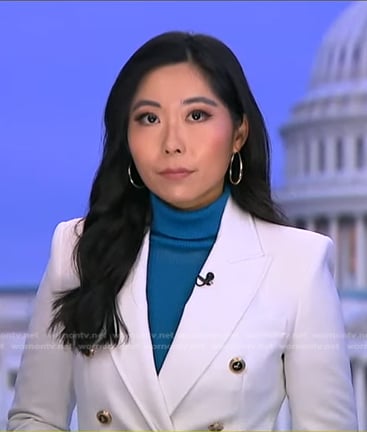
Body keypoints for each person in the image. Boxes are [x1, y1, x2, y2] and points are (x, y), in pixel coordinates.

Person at [8, 31, 357, 431]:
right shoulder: (76, 250)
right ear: (127, 135)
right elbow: (35, 418)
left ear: (238, 134)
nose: (172, 143)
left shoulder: (298, 265)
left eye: (197, 116)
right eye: (149, 119)